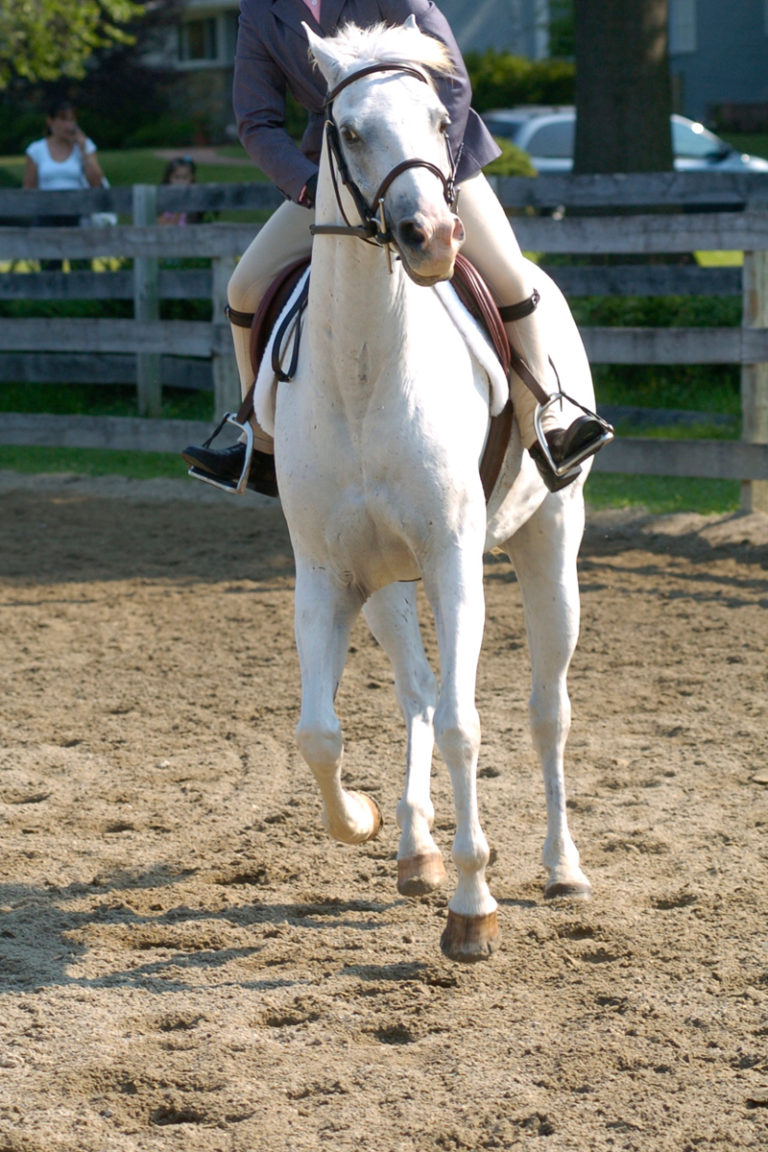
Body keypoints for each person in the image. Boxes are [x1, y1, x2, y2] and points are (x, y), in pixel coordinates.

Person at [182, 0, 610, 495]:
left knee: (510, 276)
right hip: (337, 175)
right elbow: (257, 122)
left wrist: (429, 170)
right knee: (244, 288)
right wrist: (310, 186)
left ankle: (546, 418)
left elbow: (451, 81)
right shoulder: (260, 9)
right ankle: (259, 438)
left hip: (431, 164)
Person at [24, 99, 106, 270]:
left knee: (81, 264)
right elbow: (29, 188)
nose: (68, 125)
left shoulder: (85, 147)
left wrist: (83, 149)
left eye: (71, 120)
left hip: (77, 212)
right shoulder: (36, 150)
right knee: (50, 266)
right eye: (63, 119)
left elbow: (96, 181)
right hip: (47, 213)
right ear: (51, 121)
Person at [158, 156, 202, 226]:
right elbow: (163, 226)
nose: (181, 182)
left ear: (192, 178)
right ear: (169, 178)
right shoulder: (166, 201)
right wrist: (179, 210)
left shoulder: (194, 200)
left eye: (185, 177)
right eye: (177, 177)